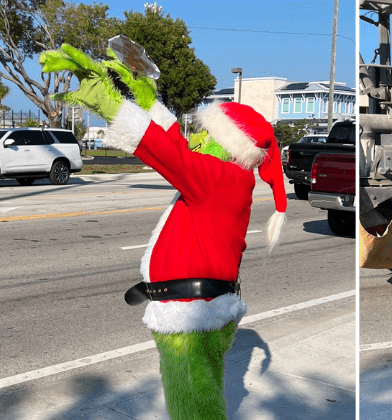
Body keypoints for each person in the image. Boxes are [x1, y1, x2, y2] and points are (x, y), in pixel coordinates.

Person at [40, 44, 287, 419]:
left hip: (190, 317)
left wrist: (107, 101)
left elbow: (169, 153)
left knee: (194, 407)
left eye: (208, 135)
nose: (199, 140)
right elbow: (178, 145)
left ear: (230, 145)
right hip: (198, 311)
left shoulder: (220, 179)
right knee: (196, 399)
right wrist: (147, 100)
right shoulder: (227, 177)